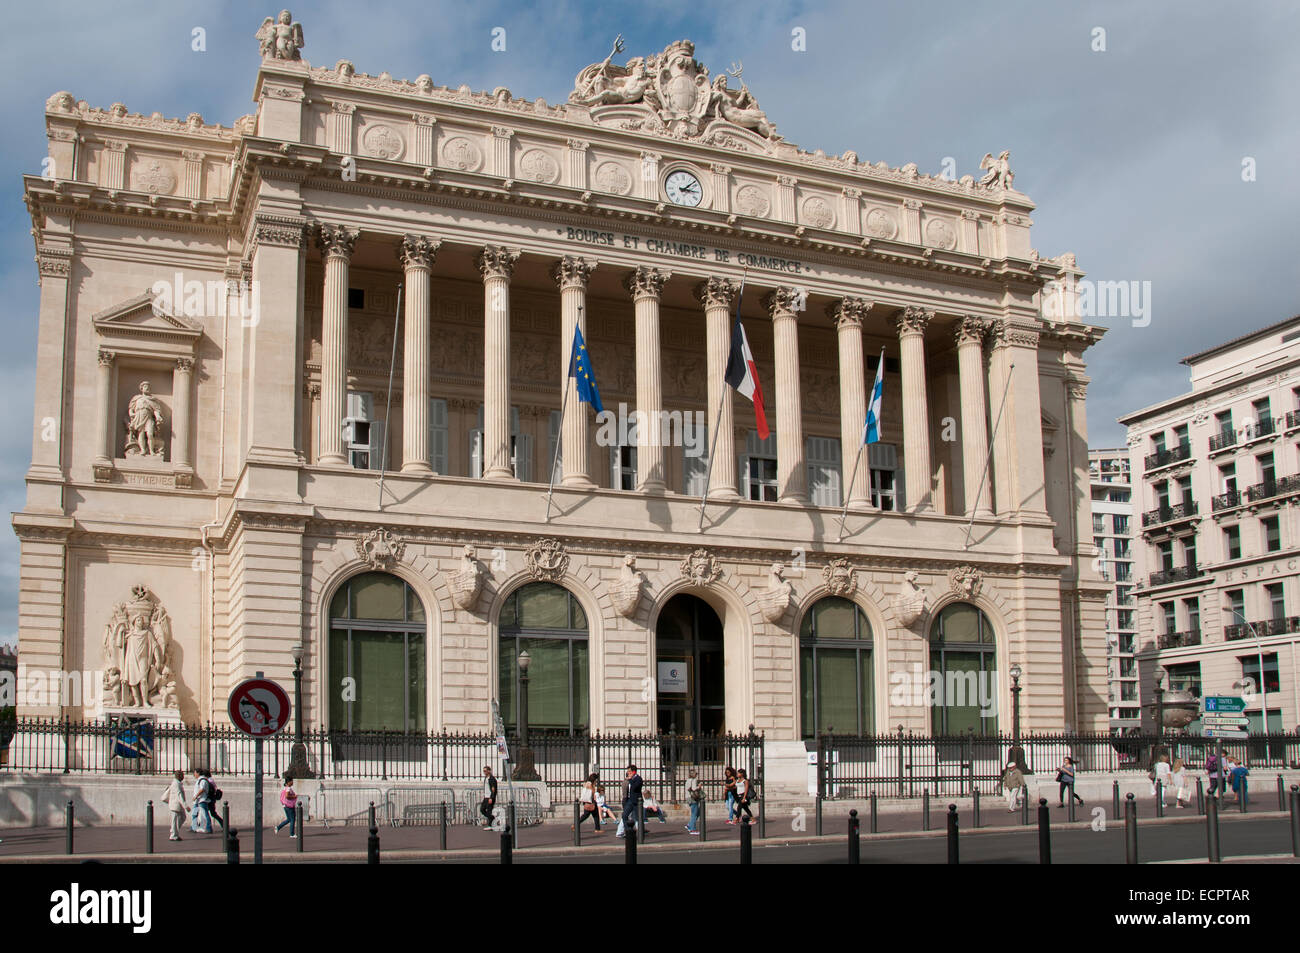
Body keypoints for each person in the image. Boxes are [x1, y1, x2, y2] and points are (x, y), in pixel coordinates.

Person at [161, 769, 188, 841]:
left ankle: (174, 832)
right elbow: (179, 795)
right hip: (175, 804)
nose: (183, 777)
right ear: (179, 776)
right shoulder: (176, 784)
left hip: (176, 804)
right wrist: (185, 806)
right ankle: (173, 834)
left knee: (181, 818)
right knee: (175, 819)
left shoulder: (177, 783)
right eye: (182, 775)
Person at [617, 764, 642, 838]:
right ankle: (628, 830)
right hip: (630, 800)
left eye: (629, 771)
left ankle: (640, 831)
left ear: (634, 772)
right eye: (627, 771)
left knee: (638, 817)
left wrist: (630, 779)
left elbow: (635, 787)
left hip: (637, 801)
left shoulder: (638, 779)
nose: (628, 773)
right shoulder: (628, 780)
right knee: (624, 815)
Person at [190, 768, 213, 833]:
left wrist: (196, 796)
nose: (194, 774)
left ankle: (209, 828)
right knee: (194, 814)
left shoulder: (202, 780)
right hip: (198, 800)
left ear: (198, 773)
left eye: (194, 773)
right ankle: (193, 827)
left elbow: (202, 789)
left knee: (205, 814)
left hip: (201, 800)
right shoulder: (200, 780)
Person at [685, 768, 703, 835]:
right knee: (694, 814)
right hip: (693, 798)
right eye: (696, 774)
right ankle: (692, 829)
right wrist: (699, 786)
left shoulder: (687, 780)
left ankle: (690, 824)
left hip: (688, 798)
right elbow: (694, 789)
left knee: (696, 812)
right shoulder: (694, 780)